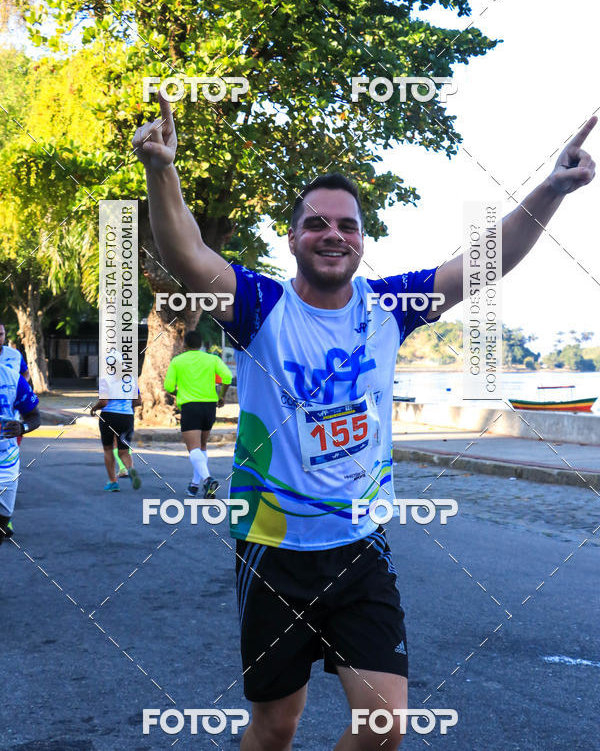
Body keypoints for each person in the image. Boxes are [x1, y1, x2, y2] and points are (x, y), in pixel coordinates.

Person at [134, 94, 596, 750]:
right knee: (275, 726)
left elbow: (483, 262)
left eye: (348, 226)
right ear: (292, 239)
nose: (333, 235)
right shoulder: (260, 306)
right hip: (271, 545)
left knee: (385, 726)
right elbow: (189, 255)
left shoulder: (389, 306)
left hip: (361, 545)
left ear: (361, 241)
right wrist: (161, 169)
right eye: (317, 224)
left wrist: (551, 188)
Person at [163, 331, 232, 498]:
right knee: (201, 447)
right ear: (201, 344)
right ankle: (194, 486)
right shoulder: (212, 359)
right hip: (209, 406)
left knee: (193, 448)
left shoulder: (177, 361)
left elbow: (169, 386)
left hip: (190, 406)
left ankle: (208, 480)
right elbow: (227, 377)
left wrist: (177, 392)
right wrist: (221, 396)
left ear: (184, 345)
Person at [0, 361, 41, 544]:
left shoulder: (13, 379)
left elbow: (34, 416)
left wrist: (22, 427)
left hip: (5, 460)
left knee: (2, 523)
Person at [91, 393, 142, 492]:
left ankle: (113, 482)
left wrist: (94, 408)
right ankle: (130, 469)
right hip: (127, 417)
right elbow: (138, 401)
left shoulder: (106, 378)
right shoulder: (131, 379)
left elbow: (103, 402)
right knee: (124, 451)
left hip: (109, 416)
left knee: (108, 449)